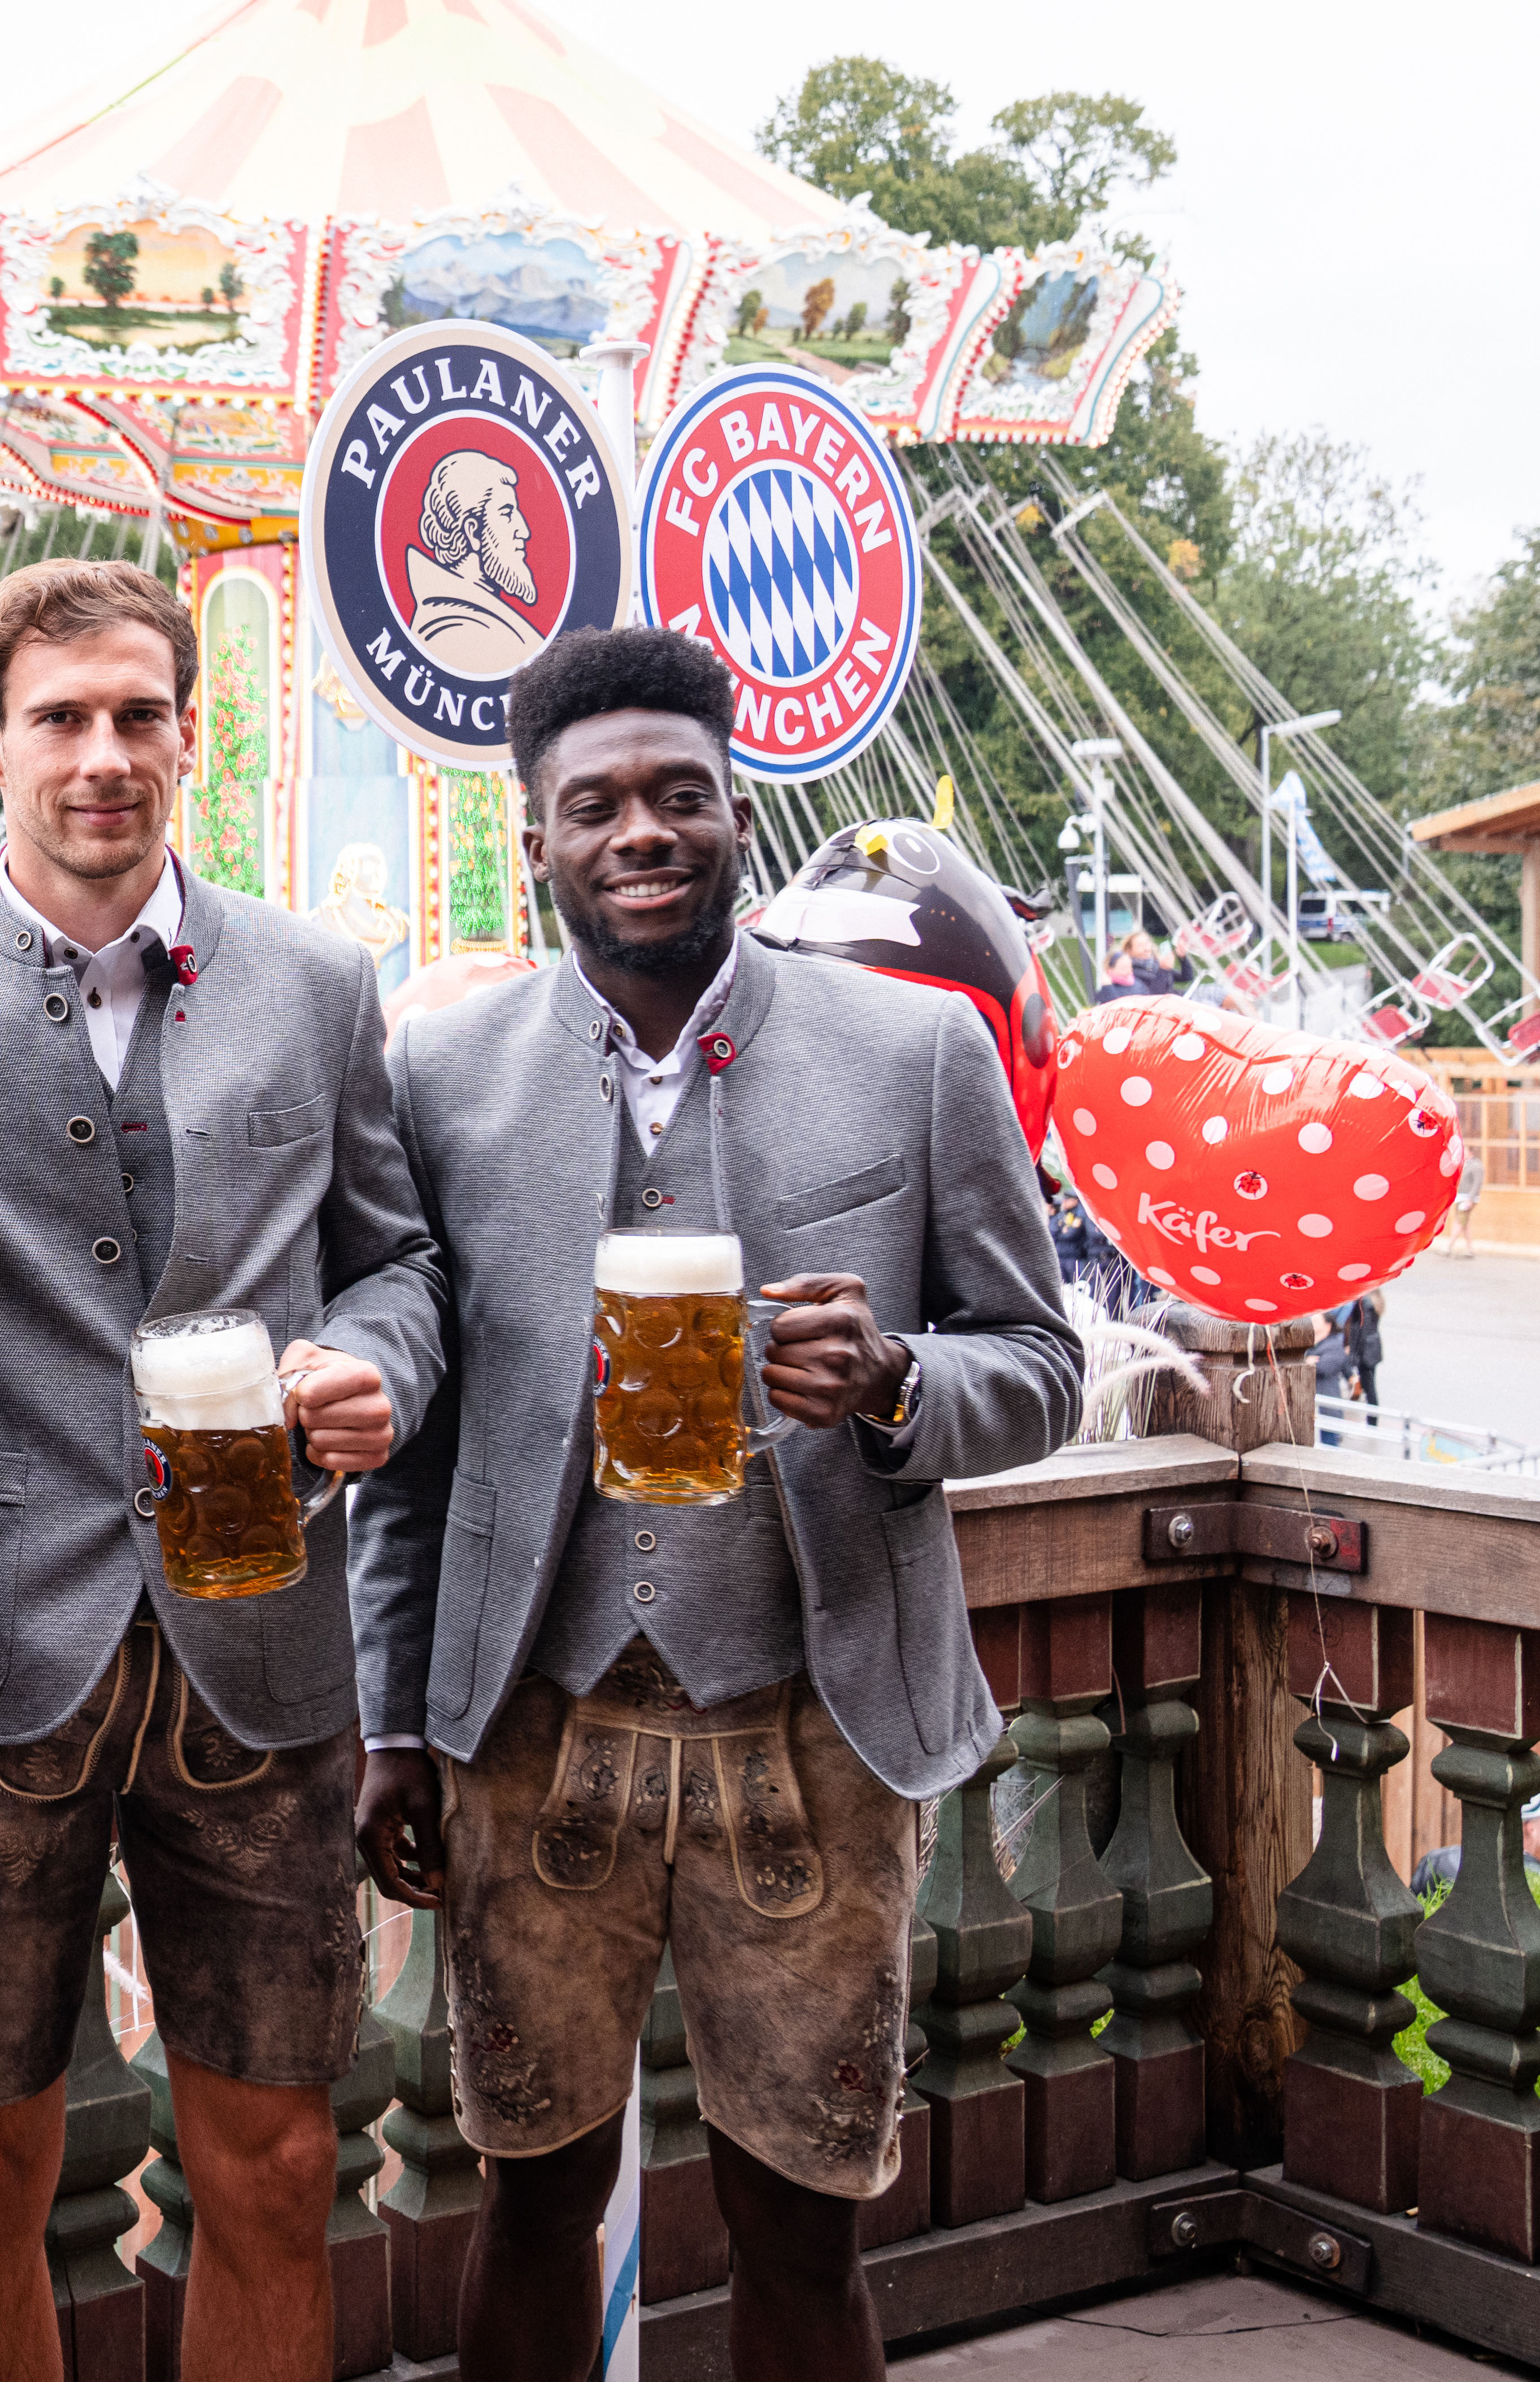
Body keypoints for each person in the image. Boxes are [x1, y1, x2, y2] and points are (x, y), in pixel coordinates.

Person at [350, 627, 1078, 2382]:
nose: (641, 829)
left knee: (801, 2226)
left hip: (813, 1720)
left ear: (736, 811)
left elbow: (1038, 1365)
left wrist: (900, 1380)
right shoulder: (437, 1084)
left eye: (680, 793)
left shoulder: (913, 1055)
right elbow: (418, 1454)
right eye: (592, 803)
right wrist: (388, 1720)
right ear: (535, 838)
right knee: (525, 2191)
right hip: (531, 1724)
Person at [0, 558, 437, 2382]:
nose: (101, 756)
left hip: (265, 1645)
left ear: (185, 732)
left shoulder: (314, 979)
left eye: (135, 715)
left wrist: (375, 1362)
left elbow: (397, 1258)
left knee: (285, 2155)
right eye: (58, 720)